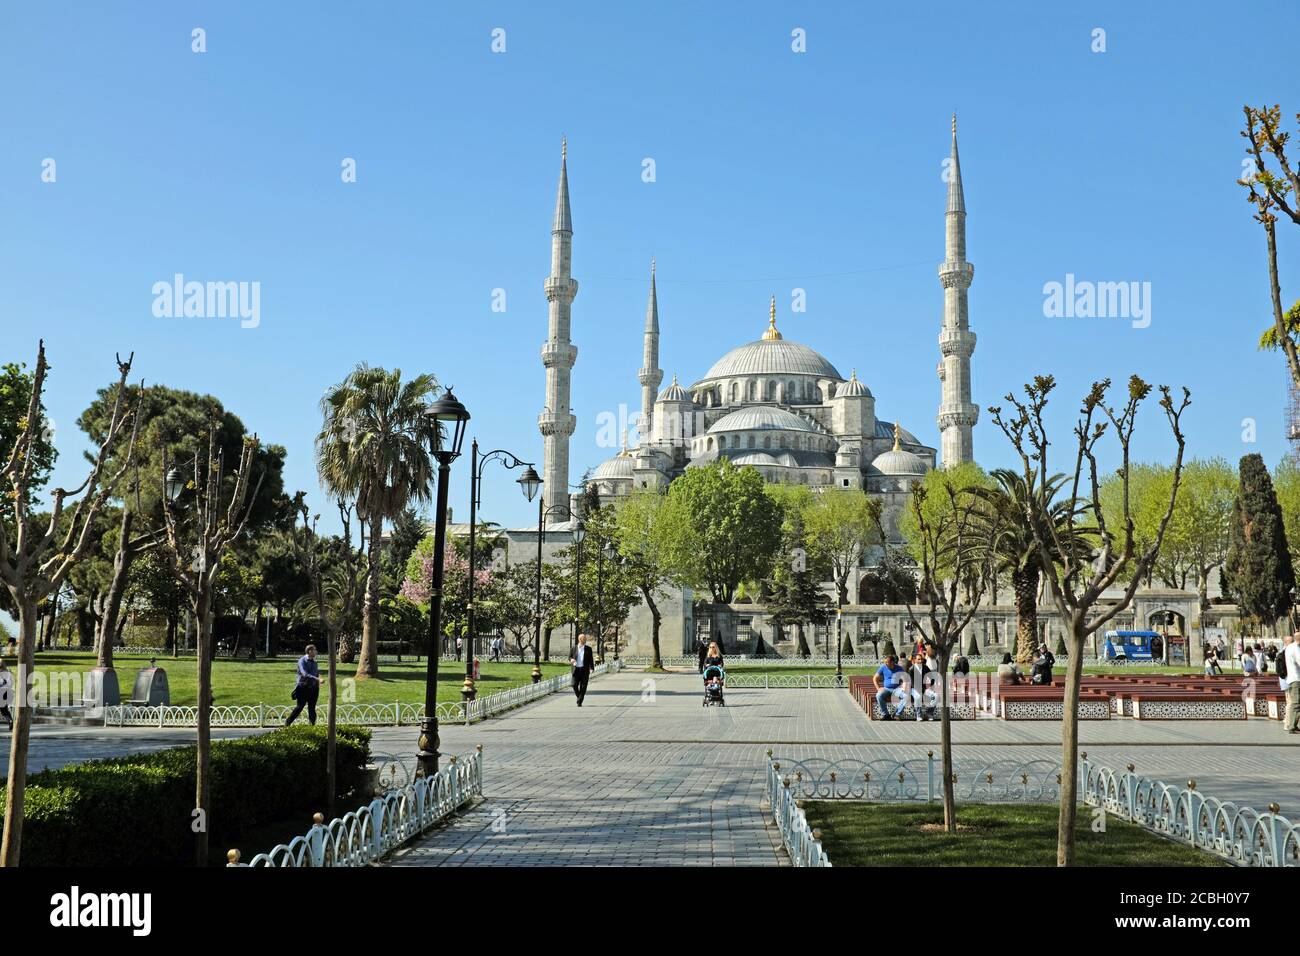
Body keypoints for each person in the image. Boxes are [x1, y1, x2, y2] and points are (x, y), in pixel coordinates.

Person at [286, 644, 323, 726]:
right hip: (303, 687)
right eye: (314, 650)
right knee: (300, 707)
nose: (316, 652)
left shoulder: (315, 662)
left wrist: (317, 684)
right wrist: (317, 679)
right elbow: (304, 674)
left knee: (312, 708)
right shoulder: (302, 661)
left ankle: (312, 725)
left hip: (313, 688)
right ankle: (288, 722)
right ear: (309, 651)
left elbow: (316, 674)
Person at [872, 654, 908, 720]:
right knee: (878, 695)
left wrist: (904, 688)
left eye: (887, 662)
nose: (886, 663)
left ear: (892, 662)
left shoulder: (899, 668)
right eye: (885, 662)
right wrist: (878, 688)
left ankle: (897, 714)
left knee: (906, 696)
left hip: (897, 689)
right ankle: (885, 714)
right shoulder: (883, 667)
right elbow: (875, 678)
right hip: (886, 689)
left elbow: (905, 680)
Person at [1281, 633, 1300, 735]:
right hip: (1297, 679)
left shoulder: (1289, 648)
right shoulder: (1295, 648)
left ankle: (1294, 725)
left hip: (1292, 678)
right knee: (1296, 703)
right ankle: (1292, 726)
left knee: (1295, 703)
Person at [570, 632, 595, 706]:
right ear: (580, 639)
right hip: (576, 669)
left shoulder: (588, 649)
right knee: (574, 684)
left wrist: (591, 668)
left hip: (584, 670)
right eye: (584, 639)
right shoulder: (574, 648)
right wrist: (571, 660)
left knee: (583, 687)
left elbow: (591, 659)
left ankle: (579, 702)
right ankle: (579, 697)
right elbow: (569, 657)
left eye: (585, 639)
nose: (585, 640)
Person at [0, 660, 13, 731]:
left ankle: (10, 721)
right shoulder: (8, 672)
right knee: (4, 710)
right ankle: (10, 721)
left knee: (3, 710)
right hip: (7, 692)